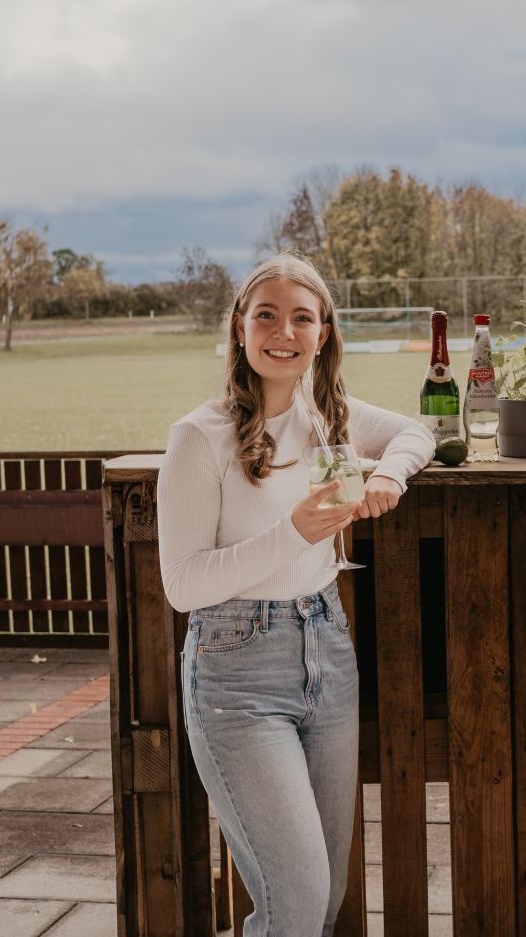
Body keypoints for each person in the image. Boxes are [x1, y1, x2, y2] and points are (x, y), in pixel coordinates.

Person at [158, 254, 434, 936]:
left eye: (301, 318)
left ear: (323, 332)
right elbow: (183, 584)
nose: (284, 332)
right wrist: (295, 533)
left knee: (324, 897)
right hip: (236, 671)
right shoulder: (199, 436)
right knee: (299, 901)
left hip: (327, 652)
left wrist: (389, 477)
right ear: (240, 327)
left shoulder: (328, 417)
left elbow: (417, 431)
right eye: (267, 316)